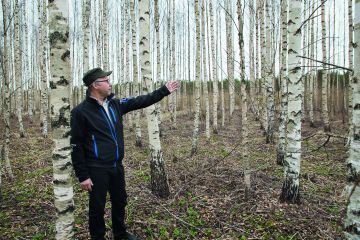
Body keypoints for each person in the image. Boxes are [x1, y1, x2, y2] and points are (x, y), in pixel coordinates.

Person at [70, 67, 179, 240]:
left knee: (120, 201)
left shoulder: (115, 104)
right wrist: (83, 175)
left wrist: (163, 91)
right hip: (97, 168)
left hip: (116, 166)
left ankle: (120, 234)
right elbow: (76, 145)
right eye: (106, 80)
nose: (110, 83)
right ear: (95, 85)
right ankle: (98, 237)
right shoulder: (80, 112)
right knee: (97, 208)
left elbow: (140, 101)